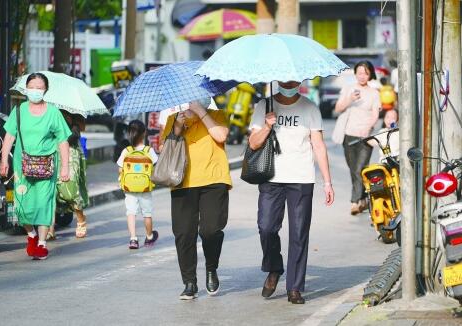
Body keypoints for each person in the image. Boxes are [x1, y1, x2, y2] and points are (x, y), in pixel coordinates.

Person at [248, 81, 334, 305]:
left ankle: (295, 287)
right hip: (271, 178)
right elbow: (253, 143)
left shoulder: (310, 108)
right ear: (278, 80)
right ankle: (274, 267)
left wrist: (327, 181)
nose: (290, 83)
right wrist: (267, 126)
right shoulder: (263, 105)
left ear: (300, 81)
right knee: (266, 227)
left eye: (295, 79)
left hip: (301, 178)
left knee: (298, 234)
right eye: (285, 79)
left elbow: (319, 146)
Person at [161, 98, 231, 300]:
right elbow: (165, 149)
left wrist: (201, 112)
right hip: (182, 182)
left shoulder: (216, 115)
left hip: (214, 180)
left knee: (211, 230)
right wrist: (177, 126)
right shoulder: (174, 119)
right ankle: (189, 282)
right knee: (183, 234)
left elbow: (221, 135)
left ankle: (211, 268)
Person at [0, 72, 71, 260]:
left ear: (46, 90)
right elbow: (9, 136)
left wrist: (65, 167)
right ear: (26, 89)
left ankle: (41, 243)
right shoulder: (19, 111)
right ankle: (30, 234)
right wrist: (3, 161)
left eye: (39, 88)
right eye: (32, 87)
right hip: (21, 167)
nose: (35, 91)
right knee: (22, 207)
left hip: (46, 167)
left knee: (43, 203)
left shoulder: (54, 112)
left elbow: (63, 141)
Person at [333, 61, 381, 215]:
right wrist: (350, 99)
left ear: (370, 74)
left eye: (365, 73)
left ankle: (355, 202)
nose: (362, 76)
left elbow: (375, 114)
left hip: (365, 136)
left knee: (360, 169)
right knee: (354, 169)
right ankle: (364, 199)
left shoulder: (374, 93)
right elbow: (338, 108)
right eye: (359, 73)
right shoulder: (349, 89)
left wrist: (368, 128)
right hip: (349, 134)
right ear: (355, 74)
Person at [117, 120, 159, 249]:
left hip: (129, 188)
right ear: (144, 133)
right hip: (145, 188)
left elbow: (120, 168)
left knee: (131, 212)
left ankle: (133, 239)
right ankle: (149, 236)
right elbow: (155, 167)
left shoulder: (126, 151)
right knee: (147, 213)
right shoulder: (149, 151)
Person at [49, 112, 89, 239]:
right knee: (51, 192)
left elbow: (75, 135)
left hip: (71, 155)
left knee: (71, 191)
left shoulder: (73, 113)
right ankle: (50, 228)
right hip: (52, 153)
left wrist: (68, 121)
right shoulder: (50, 111)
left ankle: (81, 219)